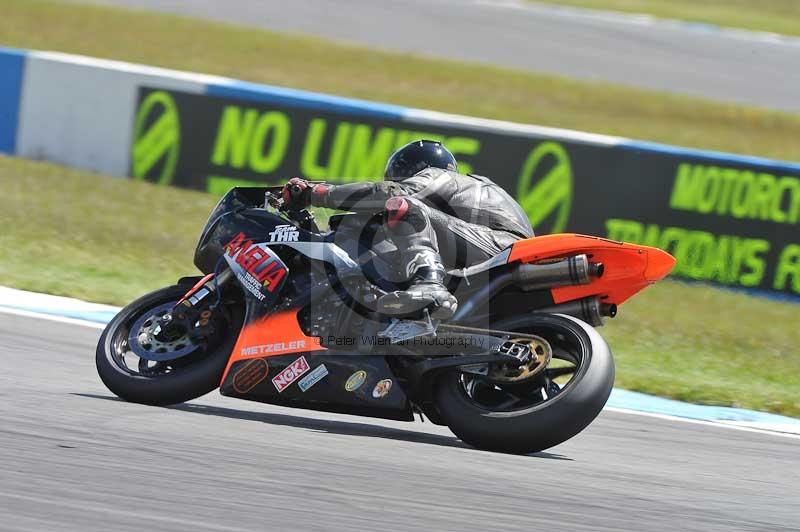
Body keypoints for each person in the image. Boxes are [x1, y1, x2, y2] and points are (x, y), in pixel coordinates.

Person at [281, 139, 534, 319]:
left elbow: (392, 193)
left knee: (403, 206)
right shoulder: (469, 197)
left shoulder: (442, 176)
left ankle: (429, 284)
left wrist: (318, 194)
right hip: (496, 252)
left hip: (501, 249)